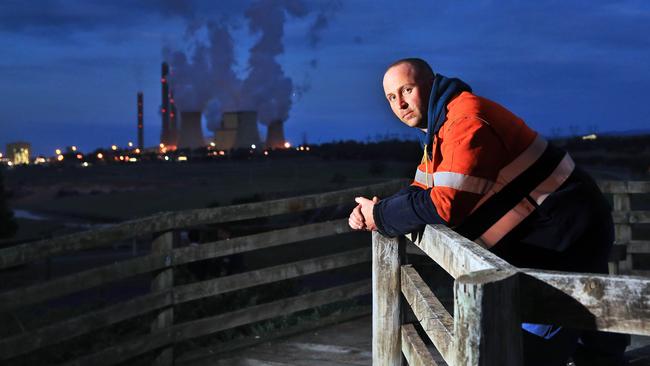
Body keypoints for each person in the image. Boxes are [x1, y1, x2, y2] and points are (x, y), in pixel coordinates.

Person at [349, 58, 629, 365]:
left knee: (531, 348)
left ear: (430, 84)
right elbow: (419, 191)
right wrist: (377, 210)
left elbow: (445, 205)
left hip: (566, 237)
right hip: (556, 233)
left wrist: (381, 217)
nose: (400, 103)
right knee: (596, 334)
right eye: (391, 97)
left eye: (407, 89)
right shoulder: (441, 129)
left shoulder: (466, 121)